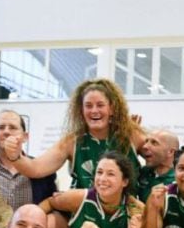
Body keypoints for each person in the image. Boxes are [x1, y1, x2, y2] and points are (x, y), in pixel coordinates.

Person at [11, 78, 144, 189]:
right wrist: (15, 156)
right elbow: (36, 168)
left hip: (127, 213)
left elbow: (161, 152)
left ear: (112, 109)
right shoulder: (71, 142)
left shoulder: (131, 135)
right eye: (88, 105)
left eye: (100, 105)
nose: (94, 110)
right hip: (82, 211)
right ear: (81, 110)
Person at [136, 129, 179, 199]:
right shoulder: (143, 172)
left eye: (154, 143)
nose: (145, 146)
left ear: (170, 152)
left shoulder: (178, 180)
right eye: (146, 141)